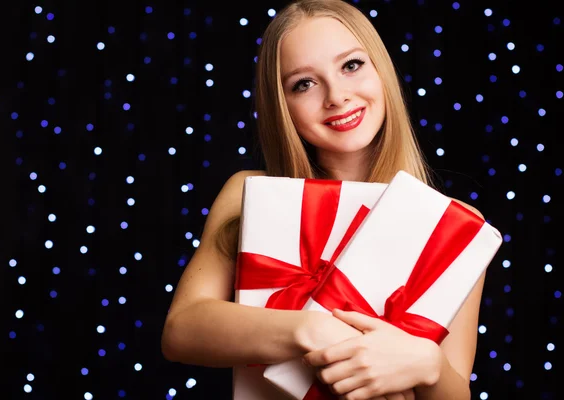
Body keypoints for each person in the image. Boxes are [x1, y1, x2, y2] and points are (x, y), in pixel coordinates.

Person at [161, 0, 486, 399]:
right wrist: (312, 328)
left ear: (381, 70)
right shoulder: (249, 192)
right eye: (304, 83)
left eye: (351, 65)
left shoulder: (454, 223)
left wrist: (429, 365)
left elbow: (455, 387)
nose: (336, 96)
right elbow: (181, 330)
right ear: (283, 107)